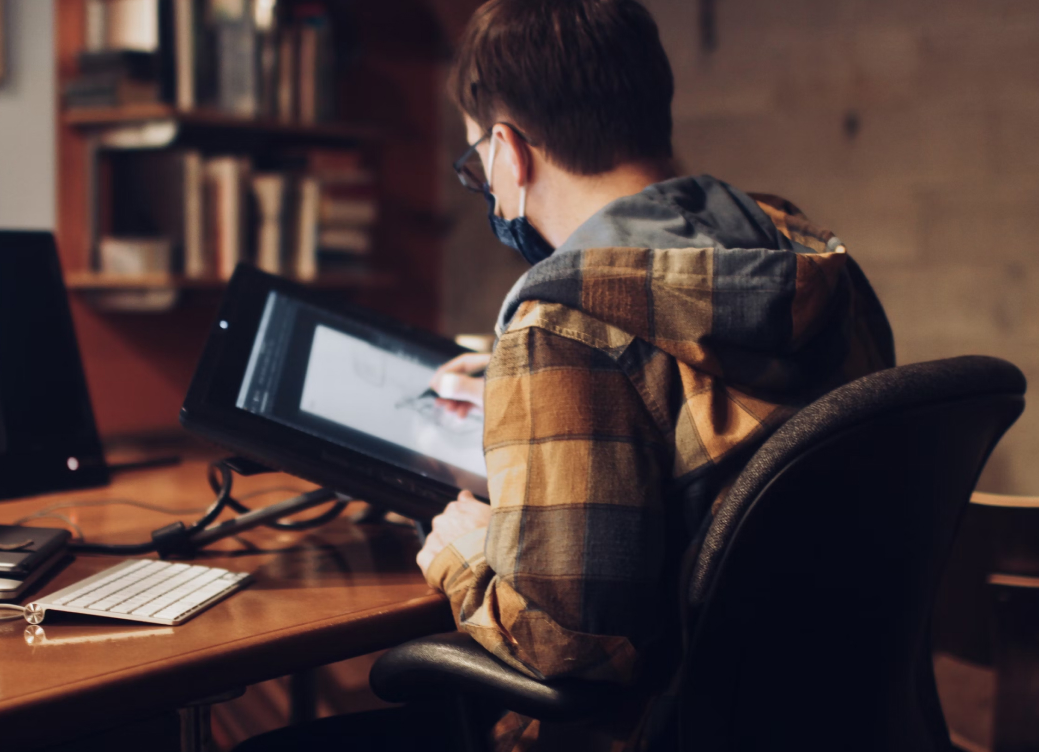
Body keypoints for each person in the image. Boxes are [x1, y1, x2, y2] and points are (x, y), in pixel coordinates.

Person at [236, 0, 893, 750]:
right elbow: (712, 424)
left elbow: (568, 647)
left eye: (475, 154)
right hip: (819, 711)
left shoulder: (563, 326)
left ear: (509, 152)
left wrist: (463, 554)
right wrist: (532, 401)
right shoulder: (798, 252)